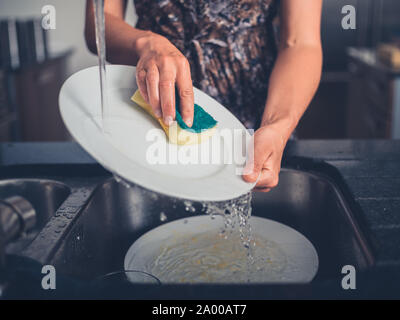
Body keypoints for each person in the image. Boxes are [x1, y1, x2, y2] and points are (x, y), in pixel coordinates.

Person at [85, 0, 322, 192]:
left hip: (257, 124)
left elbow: (300, 42)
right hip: (155, 114)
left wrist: (277, 125)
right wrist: (147, 43)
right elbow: (99, 21)